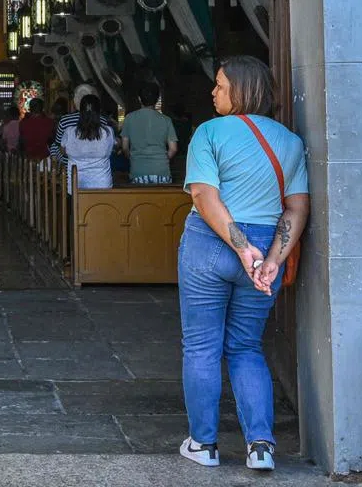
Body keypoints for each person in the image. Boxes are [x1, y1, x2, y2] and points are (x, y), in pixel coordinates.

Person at [179, 55, 309, 472]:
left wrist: (239, 246)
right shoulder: (289, 141)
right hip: (263, 248)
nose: (212, 92)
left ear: (241, 89)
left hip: (210, 244)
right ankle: (261, 446)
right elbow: (296, 208)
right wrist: (271, 258)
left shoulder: (208, 133)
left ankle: (203, 445)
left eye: (219, 85)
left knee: (202, 347)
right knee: (247, 347)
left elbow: (204, 195)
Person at [120, 82, 179, 184]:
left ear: (139, 98)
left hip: (138, 172)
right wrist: (161, 159)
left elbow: (125, 147)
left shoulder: (129, 118)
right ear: (157, 99)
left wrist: (135, 159)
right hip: (162, 171)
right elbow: (173, 149)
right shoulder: (166, 120)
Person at [58, 94, 115, 191]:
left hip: (76, 183)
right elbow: (112, 149)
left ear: (80, 111)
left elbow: (63, 151)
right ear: (99, 111)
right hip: (102, 183)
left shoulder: (70, 132)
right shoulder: (107, 132)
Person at [49, 84, 99, 163]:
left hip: (70, 166)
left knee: (54, 147)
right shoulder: (102, 120)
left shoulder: (65, 120)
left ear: (75, 101)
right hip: (97, 165)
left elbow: (59, 145)